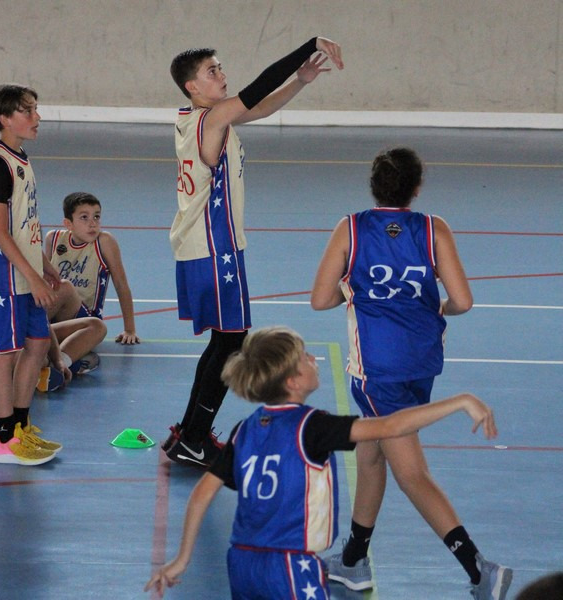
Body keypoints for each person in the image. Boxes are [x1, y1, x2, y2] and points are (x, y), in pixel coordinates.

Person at [145, 326, 499, 599]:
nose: (314, 358)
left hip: (241, 563)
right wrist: (460, 401)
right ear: (292, 381)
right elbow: (391, 426)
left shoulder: (244, 430)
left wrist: (182, 557)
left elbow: (201, 494)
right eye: (305, 357)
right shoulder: (311, 427)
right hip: (291, 566)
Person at [311, 147, 512, 600]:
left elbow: (320, 299)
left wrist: (357, 290)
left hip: (376, 368)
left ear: (373, 185)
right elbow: (462, 301)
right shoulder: (434, 228)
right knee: (371, 452)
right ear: (416, 188)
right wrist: (434, 306)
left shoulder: (350, 228)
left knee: (411, 472)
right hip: (421, 361)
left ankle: (479, 570)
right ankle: (353, 560)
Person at [162, 36, 344, 469]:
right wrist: (307, 47)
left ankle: (190, 433)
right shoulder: (212, 119)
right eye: (212, 71)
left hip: (204, 246)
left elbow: (259, 107)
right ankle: (194, 437)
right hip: (214, 247)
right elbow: (258, 89)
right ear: (192, 86)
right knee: (231, 343)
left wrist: (300, 81)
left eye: (220, 67)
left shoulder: (199, 116)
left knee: (222, 341)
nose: (222, 75)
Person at [0, 83, 62, 465]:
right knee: (3, 353)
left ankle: (21, 426)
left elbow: (24, 224)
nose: (37, 117)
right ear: (5, 119)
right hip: (3, 278)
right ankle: (4, 439)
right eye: (28, 111)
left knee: (38, 344)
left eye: (35, 109)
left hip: (25, 273)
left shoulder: (20, 158)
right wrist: (34, 277)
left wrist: (44, 266)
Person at [0, 247, 106, 392]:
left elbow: (42, 322)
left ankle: (55, 367)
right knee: (31, 357)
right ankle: (46, 370)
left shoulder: (14, 284)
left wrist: (58, 360)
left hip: (13, 337)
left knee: (96, 326)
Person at [44, 191, 140, 371]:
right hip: (52, 317)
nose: (92, 223)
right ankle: (33, 338)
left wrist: (129, 329)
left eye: (96, 216)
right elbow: (45, 280)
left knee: (67, 289)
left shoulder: (104, 241)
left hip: (83, 317)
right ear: (68, 224)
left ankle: (57, 367)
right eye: (84, 217)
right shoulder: (54, 238)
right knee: (59, 287)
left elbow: (121, 284)